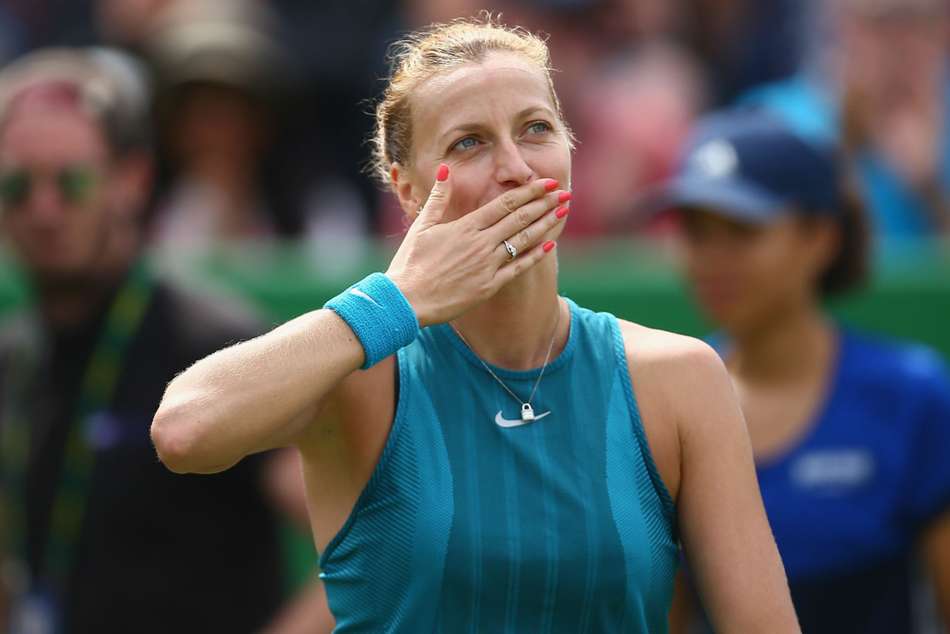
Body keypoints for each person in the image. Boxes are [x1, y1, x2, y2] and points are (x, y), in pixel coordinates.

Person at [150, 17, 800, 632]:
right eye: (470, 143)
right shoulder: (360, 376)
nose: (516, 166)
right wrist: (397, 299)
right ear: (407, 189)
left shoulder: (682, 379)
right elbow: (185, 430)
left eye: (536, 129)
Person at [0, 48, 315, 634]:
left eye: (70, 182)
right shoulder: (15, 357)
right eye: (18, 186)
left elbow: (363, 536)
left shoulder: (211, 343)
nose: (43, 210)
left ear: (133, 179)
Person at [654, 112, 950, 633]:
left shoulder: (912, 395)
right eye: (697, 232)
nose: (711, 259)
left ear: (820, 236)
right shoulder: (665, 405)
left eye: (742, 230)